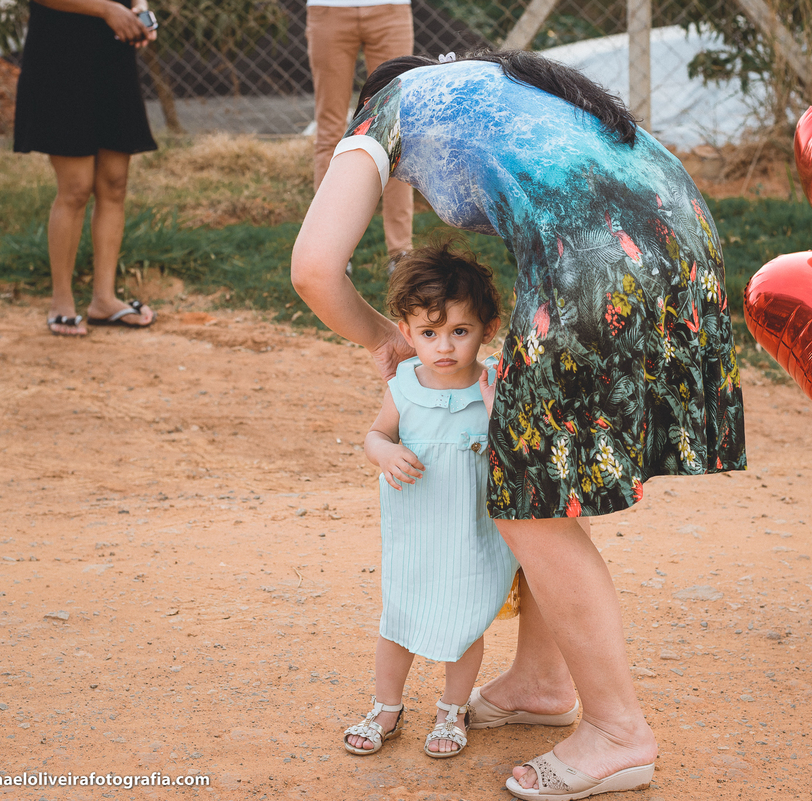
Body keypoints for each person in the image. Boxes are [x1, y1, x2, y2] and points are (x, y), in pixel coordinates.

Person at [291, 50, 746, 798]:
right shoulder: (495, 82)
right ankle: (539, 681)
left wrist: (384, 335)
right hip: (681, 237)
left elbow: (313, 267)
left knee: (529, 506)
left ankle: (617, 731)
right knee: (547, 486)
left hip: (600, 261)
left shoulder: (391, 106)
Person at [342, 242, 519, 759]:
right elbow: (374, 436)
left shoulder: (494, 385)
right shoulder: (405, 386)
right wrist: (386, 453)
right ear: (406, 332)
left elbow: (520, 454)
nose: (444, 347)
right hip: (415, 531)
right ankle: (387, 707)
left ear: (488, 328)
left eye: (459, 332)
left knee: (464, 622)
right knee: (398, 619)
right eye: (428, 333)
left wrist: (498, 412)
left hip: (472, 534)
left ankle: (451, 709)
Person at [13, 0, 159, 336]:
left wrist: (138, 8)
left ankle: (104, 301)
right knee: (76, 188)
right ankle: (61, 302)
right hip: (61, 52)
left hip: (112, 51)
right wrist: (107, 10)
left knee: (114, 183)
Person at [305, 0, 414, 267]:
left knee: (395, 132)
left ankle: (401, 253)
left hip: (390, 10)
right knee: (329, 130)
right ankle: (329, 249)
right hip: (328, 10)